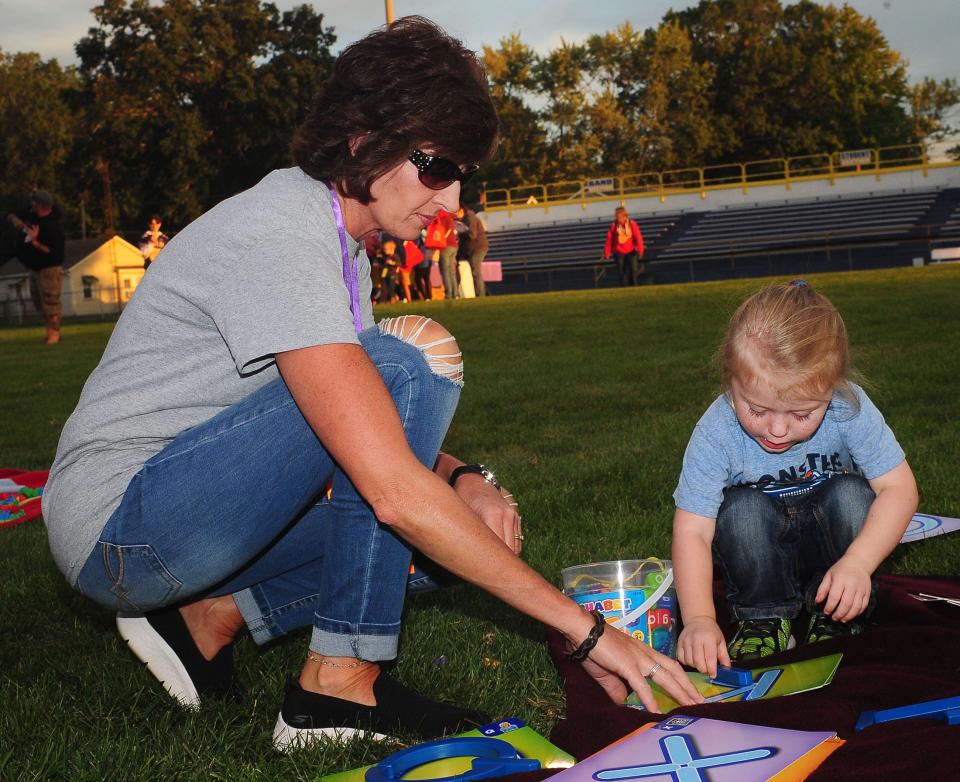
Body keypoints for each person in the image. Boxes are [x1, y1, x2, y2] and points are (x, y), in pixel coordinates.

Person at [43, 16, 699, 751]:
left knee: (459, 515)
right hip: (123, 527)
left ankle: (208, 618)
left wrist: (466, 477)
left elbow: (351, 414)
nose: (450, 202)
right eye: (438, 167)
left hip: (184, 514)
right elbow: (386, 472)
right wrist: (587, 635)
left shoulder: (339, 242)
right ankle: (336, 687)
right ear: (364, 140)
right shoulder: (282, 233)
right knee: (415, 356)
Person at [671, 280, 918, 678]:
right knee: (740, 509)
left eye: (802, 414)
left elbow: (900, 489)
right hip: (761, 557)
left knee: (852, 496)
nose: (778, 429)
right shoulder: (716, 431)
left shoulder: (848, 408)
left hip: (834, 552)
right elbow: (693, 531)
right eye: (757, 409)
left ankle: (838, 612)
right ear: (731, 381)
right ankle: (763, 616)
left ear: (833, 387)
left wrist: (858, 562)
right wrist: (699, 618)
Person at [7, 190, 66, 344]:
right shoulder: (32, 216)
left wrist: (35, 242)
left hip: (49, 269)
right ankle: (50, 334)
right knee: (39, 303)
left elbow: (53, 252)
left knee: (50, 303)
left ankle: (54, 336)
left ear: (41, 205)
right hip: (34, 268)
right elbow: (12, 215)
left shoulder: (53, 226)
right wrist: (19, 224)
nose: (32, 205)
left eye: (35, 203)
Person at [603, 207, 644, 287]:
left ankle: (634, 286)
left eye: (619, 217)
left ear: (625, 216)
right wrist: (607, 252)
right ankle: (623, 287)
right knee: (621, 272)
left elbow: (638, 237)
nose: (618, 219)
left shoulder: (632, 224)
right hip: (618, 252)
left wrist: (640, 250)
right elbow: (609, 239)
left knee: (633, 270)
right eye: (617, 217)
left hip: (631, 251)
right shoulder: (613, 226)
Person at [461, 205, 489, 297]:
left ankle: (480, 293)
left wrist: (460, 232)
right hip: (477, 247)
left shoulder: (470, 218)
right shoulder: (470, 218)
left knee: (476, 271)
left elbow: (472, 235)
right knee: (476, 270)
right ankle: (482, 292)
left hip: (477, 247)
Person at [436, 209, 460, 299]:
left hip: (445, 246)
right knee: (451, 271)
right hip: (454, 245)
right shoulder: (449, 217)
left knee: (445, 271)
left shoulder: (441, 218)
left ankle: (448, 293)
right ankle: (455, 293)